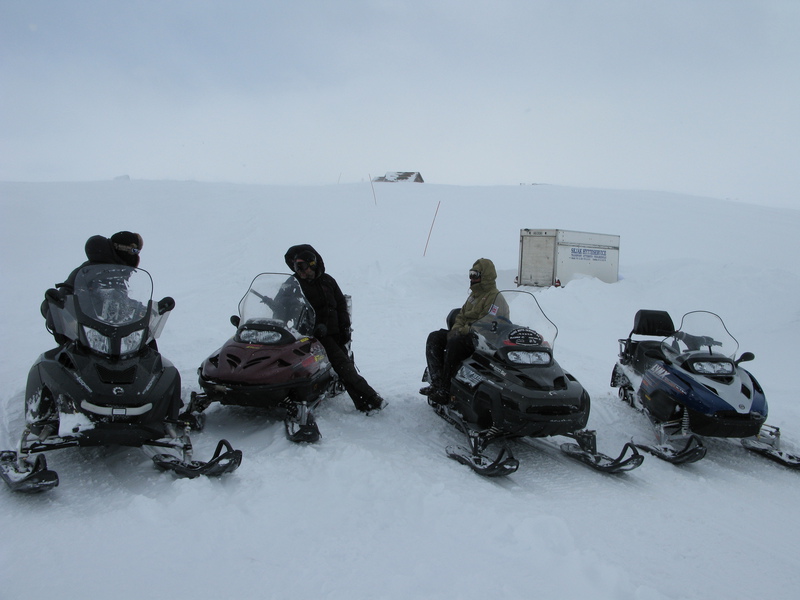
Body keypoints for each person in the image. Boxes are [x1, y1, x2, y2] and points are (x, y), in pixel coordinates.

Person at [283, 244, 385, 414]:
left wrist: (345, 328)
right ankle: (369, 399)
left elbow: (340, 305)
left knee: (344, 366)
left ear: (312, 264)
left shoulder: (327, 281)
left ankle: (366, 400)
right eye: (295, 266)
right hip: (308, 336)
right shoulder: (293, 284)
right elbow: (281, 308)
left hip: (333, 334)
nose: (299, 271)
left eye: (302, 266)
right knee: (343, 366)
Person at [421, 258, 502, 405]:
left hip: (482, 340)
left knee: (455, 344)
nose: (472, 278)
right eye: (471, 274)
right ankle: (437, 382)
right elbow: (461, 315)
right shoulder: (474, 295)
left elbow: (488, 324)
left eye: (475, 274)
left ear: (485, 276)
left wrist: (463, 331)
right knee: (435, 338)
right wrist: (456, 328)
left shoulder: (495, 298)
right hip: (465, 334)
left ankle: (445, 389)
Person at [42, 232, 144, 342]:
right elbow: (109, 303)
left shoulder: (96, 267)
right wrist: (138, 310)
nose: (136, 257)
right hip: (87, 337)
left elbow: (116, 300)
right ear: (122, 250)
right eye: (134, 251)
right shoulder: (105, 272)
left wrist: (142, 309)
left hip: (89, 335)